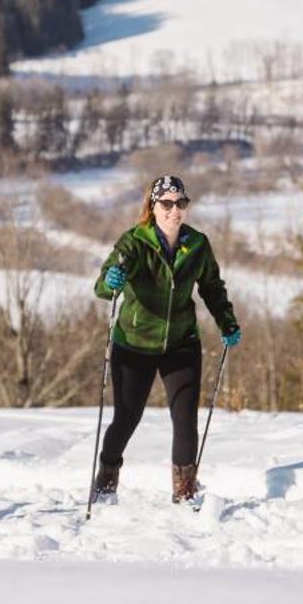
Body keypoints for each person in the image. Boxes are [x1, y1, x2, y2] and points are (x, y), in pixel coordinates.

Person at [92, 174, 240, 504]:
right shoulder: (133, 242)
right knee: (127, 418)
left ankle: (185, 492)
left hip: (181, 343)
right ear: (153, 207)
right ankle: (106, 479)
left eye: (181, 203)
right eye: (167, 204)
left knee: (185, 419)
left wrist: (227, 322)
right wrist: (112, 281)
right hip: (134, 344)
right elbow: (102, 286)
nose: (175, 210)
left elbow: (213, 288)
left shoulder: (197, 244)